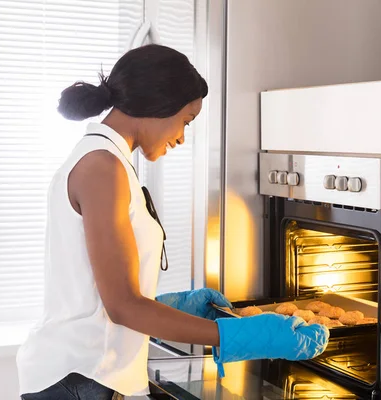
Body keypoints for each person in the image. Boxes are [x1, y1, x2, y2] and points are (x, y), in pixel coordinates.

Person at [16, 44, 329, 400]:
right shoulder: (103, 168)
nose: (181, 137)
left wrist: (166, 305)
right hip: (77, 380)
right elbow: (122, 307)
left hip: (88, 376)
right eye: (185, 121)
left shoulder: (108, 161)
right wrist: (242, 337)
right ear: (157, 105)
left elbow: (99, 292)